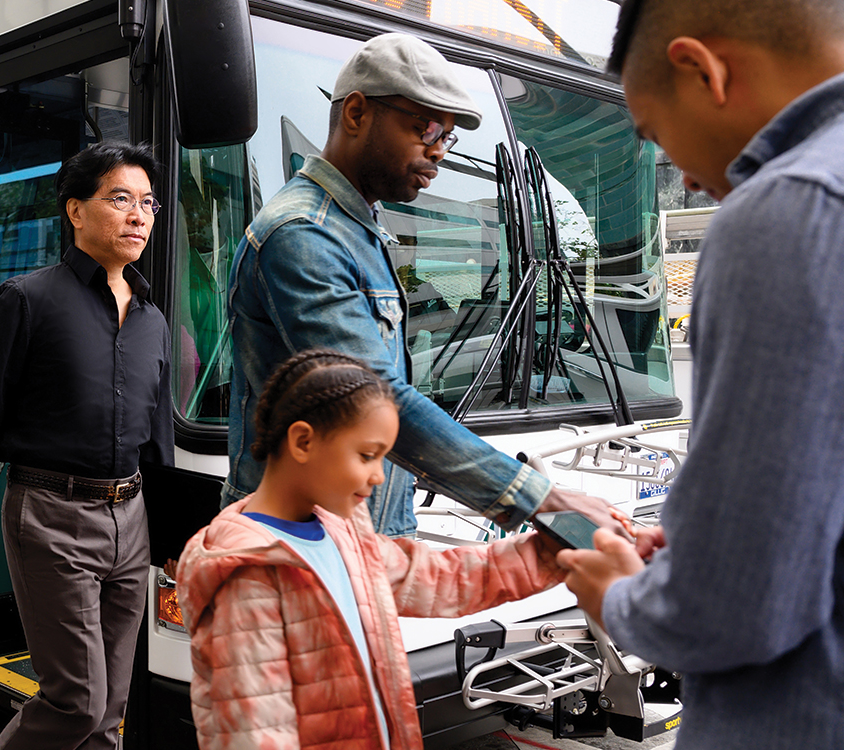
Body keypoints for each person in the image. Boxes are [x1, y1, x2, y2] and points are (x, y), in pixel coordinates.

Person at [556, 1, 844, 748]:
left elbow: (740, 604)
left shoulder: (794, 209)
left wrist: (624, 600)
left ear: (702, 69)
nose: (690, 181)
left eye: (654, 137)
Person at [225, 32, 627, 538]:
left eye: (448, 138)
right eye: (427, 129)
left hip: (364, 532)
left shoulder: (361, 228)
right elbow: (376, 400)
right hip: (303, 547)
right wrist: (541, 499)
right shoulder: (303, 236)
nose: (438, 152)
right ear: (355, 113)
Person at [179, 349, 563, 749]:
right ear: (303, 441)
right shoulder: (250, 572)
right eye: (367, 455)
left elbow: (440, 578)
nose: (379, 476)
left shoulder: (341, 530)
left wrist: (553, 555)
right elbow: (256, 734)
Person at [0, 141, 172, 750]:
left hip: (133, 516)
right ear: (75, 211)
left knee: (111, 710)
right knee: (77, 699)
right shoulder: (26, 300)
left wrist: (171, 543)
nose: (138, 216)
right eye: (120, 199)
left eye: (148, 203)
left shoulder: (153, 319)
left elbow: (157, 443)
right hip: (49, 513)